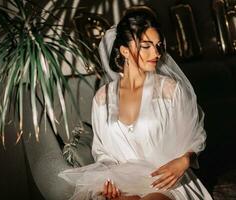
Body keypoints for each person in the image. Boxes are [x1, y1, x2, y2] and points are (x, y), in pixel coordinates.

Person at [59, 7, 213, 200]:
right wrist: (109, 182)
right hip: (123, 184)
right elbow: (102, 152)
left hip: (165, 182)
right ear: (124, 50)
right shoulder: (102, 98)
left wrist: (183, 161)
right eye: (146, 46)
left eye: (158, 46)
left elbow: (194, 139)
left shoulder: (170, 91)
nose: (156, 53)